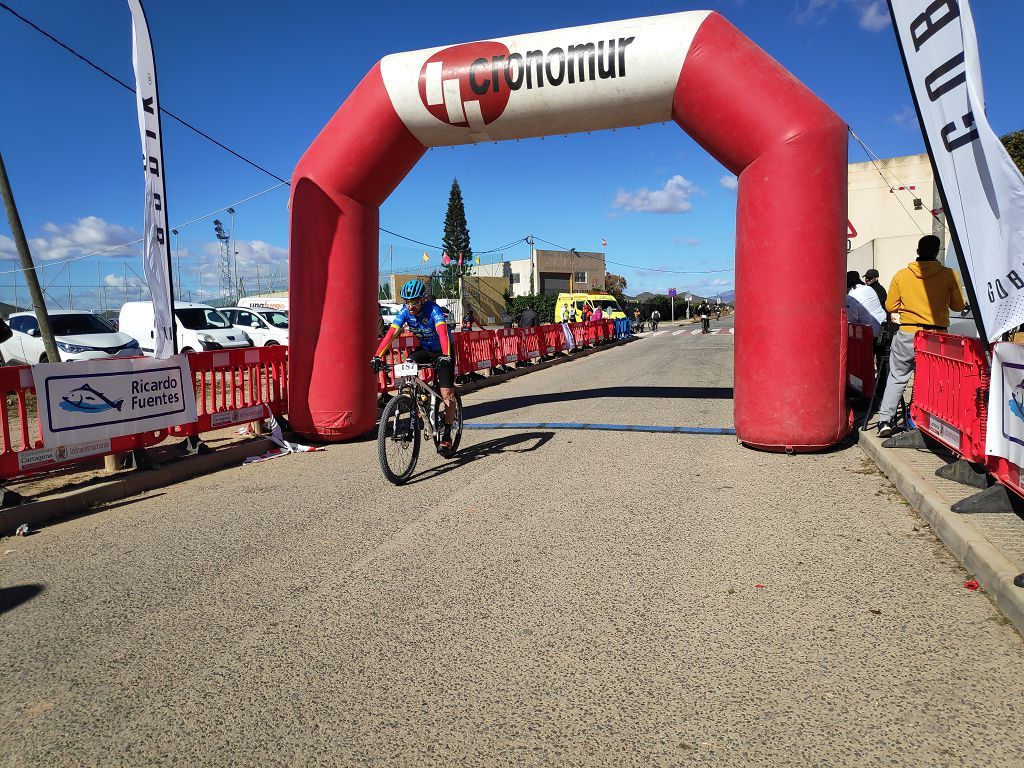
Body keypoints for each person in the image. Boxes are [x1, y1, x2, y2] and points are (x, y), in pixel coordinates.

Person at [876, 235, 965, 437]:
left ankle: (884, 421)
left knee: (897, 377)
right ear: (937, 252)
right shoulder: (948, 274)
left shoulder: (901, 275)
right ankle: (927, 422)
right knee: (934, 381)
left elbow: (890, 306)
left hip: (908, 331)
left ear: (917, 251)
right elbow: (958, 306)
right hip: (936, 335)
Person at [371, 279, 457, 449]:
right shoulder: (405, 312)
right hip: (425, 348)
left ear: (422, 300)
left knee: (447, 394)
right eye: (407, 302)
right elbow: (390, 335)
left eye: (414, 302)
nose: (410, 306)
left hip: (443, 350)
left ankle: (447, 433)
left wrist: (446, 355)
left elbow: (442, 333)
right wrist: (377, 356)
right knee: (408, 363)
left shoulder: (433, 310)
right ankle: (418, 395)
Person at [845, 270, 886, 336]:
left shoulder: (851, 296)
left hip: (869, 333)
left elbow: (851, 321)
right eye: (866, 277)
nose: (867, 279)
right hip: (882, 328)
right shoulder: (869, 289)